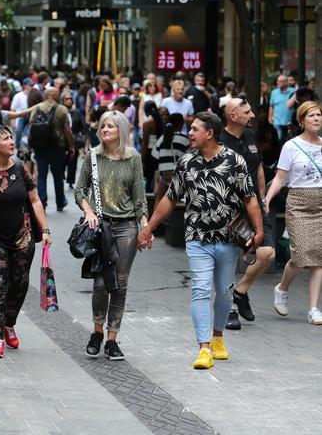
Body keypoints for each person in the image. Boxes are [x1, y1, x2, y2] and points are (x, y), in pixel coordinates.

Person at [138, 112, 263, 369]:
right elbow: (170, 198)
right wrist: (149, 227)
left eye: (195, 129)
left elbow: (250, 197)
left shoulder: (234, 160)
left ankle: (218, 337)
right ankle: (203, 347)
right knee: (201, 289)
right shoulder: (186, 162)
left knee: (225, 292)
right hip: (196, 237)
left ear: (211, 133)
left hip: (228, 239)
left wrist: (258, 231)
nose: (190, 133)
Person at [76, 111, 148, 361]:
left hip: (127, 228)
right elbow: (79, 190)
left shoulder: (133, 158)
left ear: (121, 131)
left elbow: (140, 199)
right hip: (101, 228)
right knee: (99, 284)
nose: (105, 130)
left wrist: (145, 227)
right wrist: (88, 211)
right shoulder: (93, 157)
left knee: (119, 284)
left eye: (111, 126)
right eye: (103, 126)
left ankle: (112, 339)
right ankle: (96, 332)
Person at [0, 126, 51, 358]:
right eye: (5, 139)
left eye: (10, 137)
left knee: (20, 284)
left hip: (23, 236)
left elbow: (35, 199)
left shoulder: (20, 167)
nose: (11, 141)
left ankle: (9, 324)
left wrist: (45, 229)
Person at [220, 98, 276, 330]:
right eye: (247, 111)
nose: (252, 115)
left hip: (255, 206)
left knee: (267, 254)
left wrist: (262, 198)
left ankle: (240, 292)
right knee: (230, 259)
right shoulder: (219, 141)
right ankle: (229, 308)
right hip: (232, 210)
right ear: (233, 115)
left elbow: (259, 168)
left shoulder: (251, 136)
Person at [264, 101, 322, 325]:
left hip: (320, 202)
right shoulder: (291, 146)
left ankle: (313, 309)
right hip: (298, 202)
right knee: (299, 256)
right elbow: (280, 177)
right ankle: (282, 288)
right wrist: (267, 199)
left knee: (318, 258)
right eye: (311, 116)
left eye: (318, 115)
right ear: (302, 121)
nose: (316, 119)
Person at [27, 87, 74, 211]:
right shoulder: (62, 109)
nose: (59, 96)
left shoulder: (37, 108)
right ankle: (60, 202)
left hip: (40, 147)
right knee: (58, 175)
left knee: (41, 175)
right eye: (58, 94)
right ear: (54, 95)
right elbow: (67, 130)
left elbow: (31, 129)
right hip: (57, 147)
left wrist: (29, 146)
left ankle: (42, 201)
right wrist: (72, 145)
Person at [140, 101, 163, 193]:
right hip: (158, 150)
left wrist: (142, 158)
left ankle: (148, 195)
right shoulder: (159, 120)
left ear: (146, 110)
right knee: (155, 174)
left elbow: (145, 142)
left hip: (149, 152)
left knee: (148, 176)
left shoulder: (147, 122)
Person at [64, 91, 85, 189]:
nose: (69, 101)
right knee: (62, 161)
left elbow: (81, 126)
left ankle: (70, 181)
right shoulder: (60, 111)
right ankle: (61, 175)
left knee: (72, 162)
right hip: (62, 140)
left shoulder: (76, 112)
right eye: (66, 99)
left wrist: (82, 136)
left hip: (74, 140)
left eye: (70, 99)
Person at [269, 75, 296, 143]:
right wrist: (270, 117)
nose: (278, 83)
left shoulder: (293, 91)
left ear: (286, 82)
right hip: (277, 122)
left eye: (280, 81)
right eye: (277, 81)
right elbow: (271, 106)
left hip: (289, 122)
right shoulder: (274, 92)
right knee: (278, 142)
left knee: (288, 142)